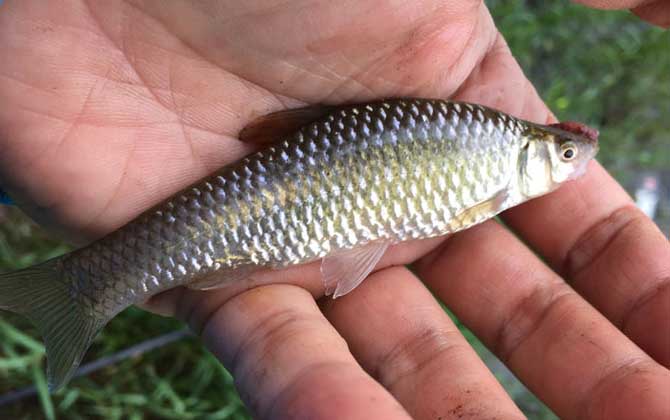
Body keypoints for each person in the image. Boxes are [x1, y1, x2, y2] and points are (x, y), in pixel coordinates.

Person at [0, 1, 668, 418]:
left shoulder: (489, 144)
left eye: (564, 155)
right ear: (528, 154)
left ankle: (85, 287)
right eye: (559, 154)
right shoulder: (494, 159)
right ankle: (84, 287)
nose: (569, 160)